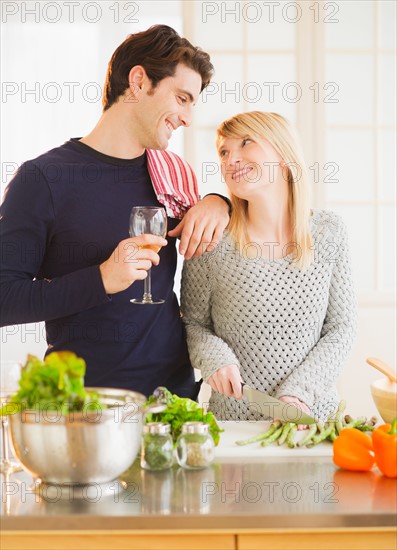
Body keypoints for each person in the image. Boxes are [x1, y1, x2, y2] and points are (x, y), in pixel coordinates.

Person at [0, 25, 231, 400]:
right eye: (182, 97)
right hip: (86, 409)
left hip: (172, 401)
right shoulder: (43, 179)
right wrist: (101, 280)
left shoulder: (171, 176)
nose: (188, 118)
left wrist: (221, 202)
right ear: (138, 81)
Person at [181, 111, 357, 423]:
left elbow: (341, 328)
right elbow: (192, 324)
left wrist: (298, 392)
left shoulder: (330, 231)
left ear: (284, 155)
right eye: (223, 151)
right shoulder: (212, 240)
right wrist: (214, 359)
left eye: (245, 143)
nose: (230, 158)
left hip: (314, 424)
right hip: (233, 425)